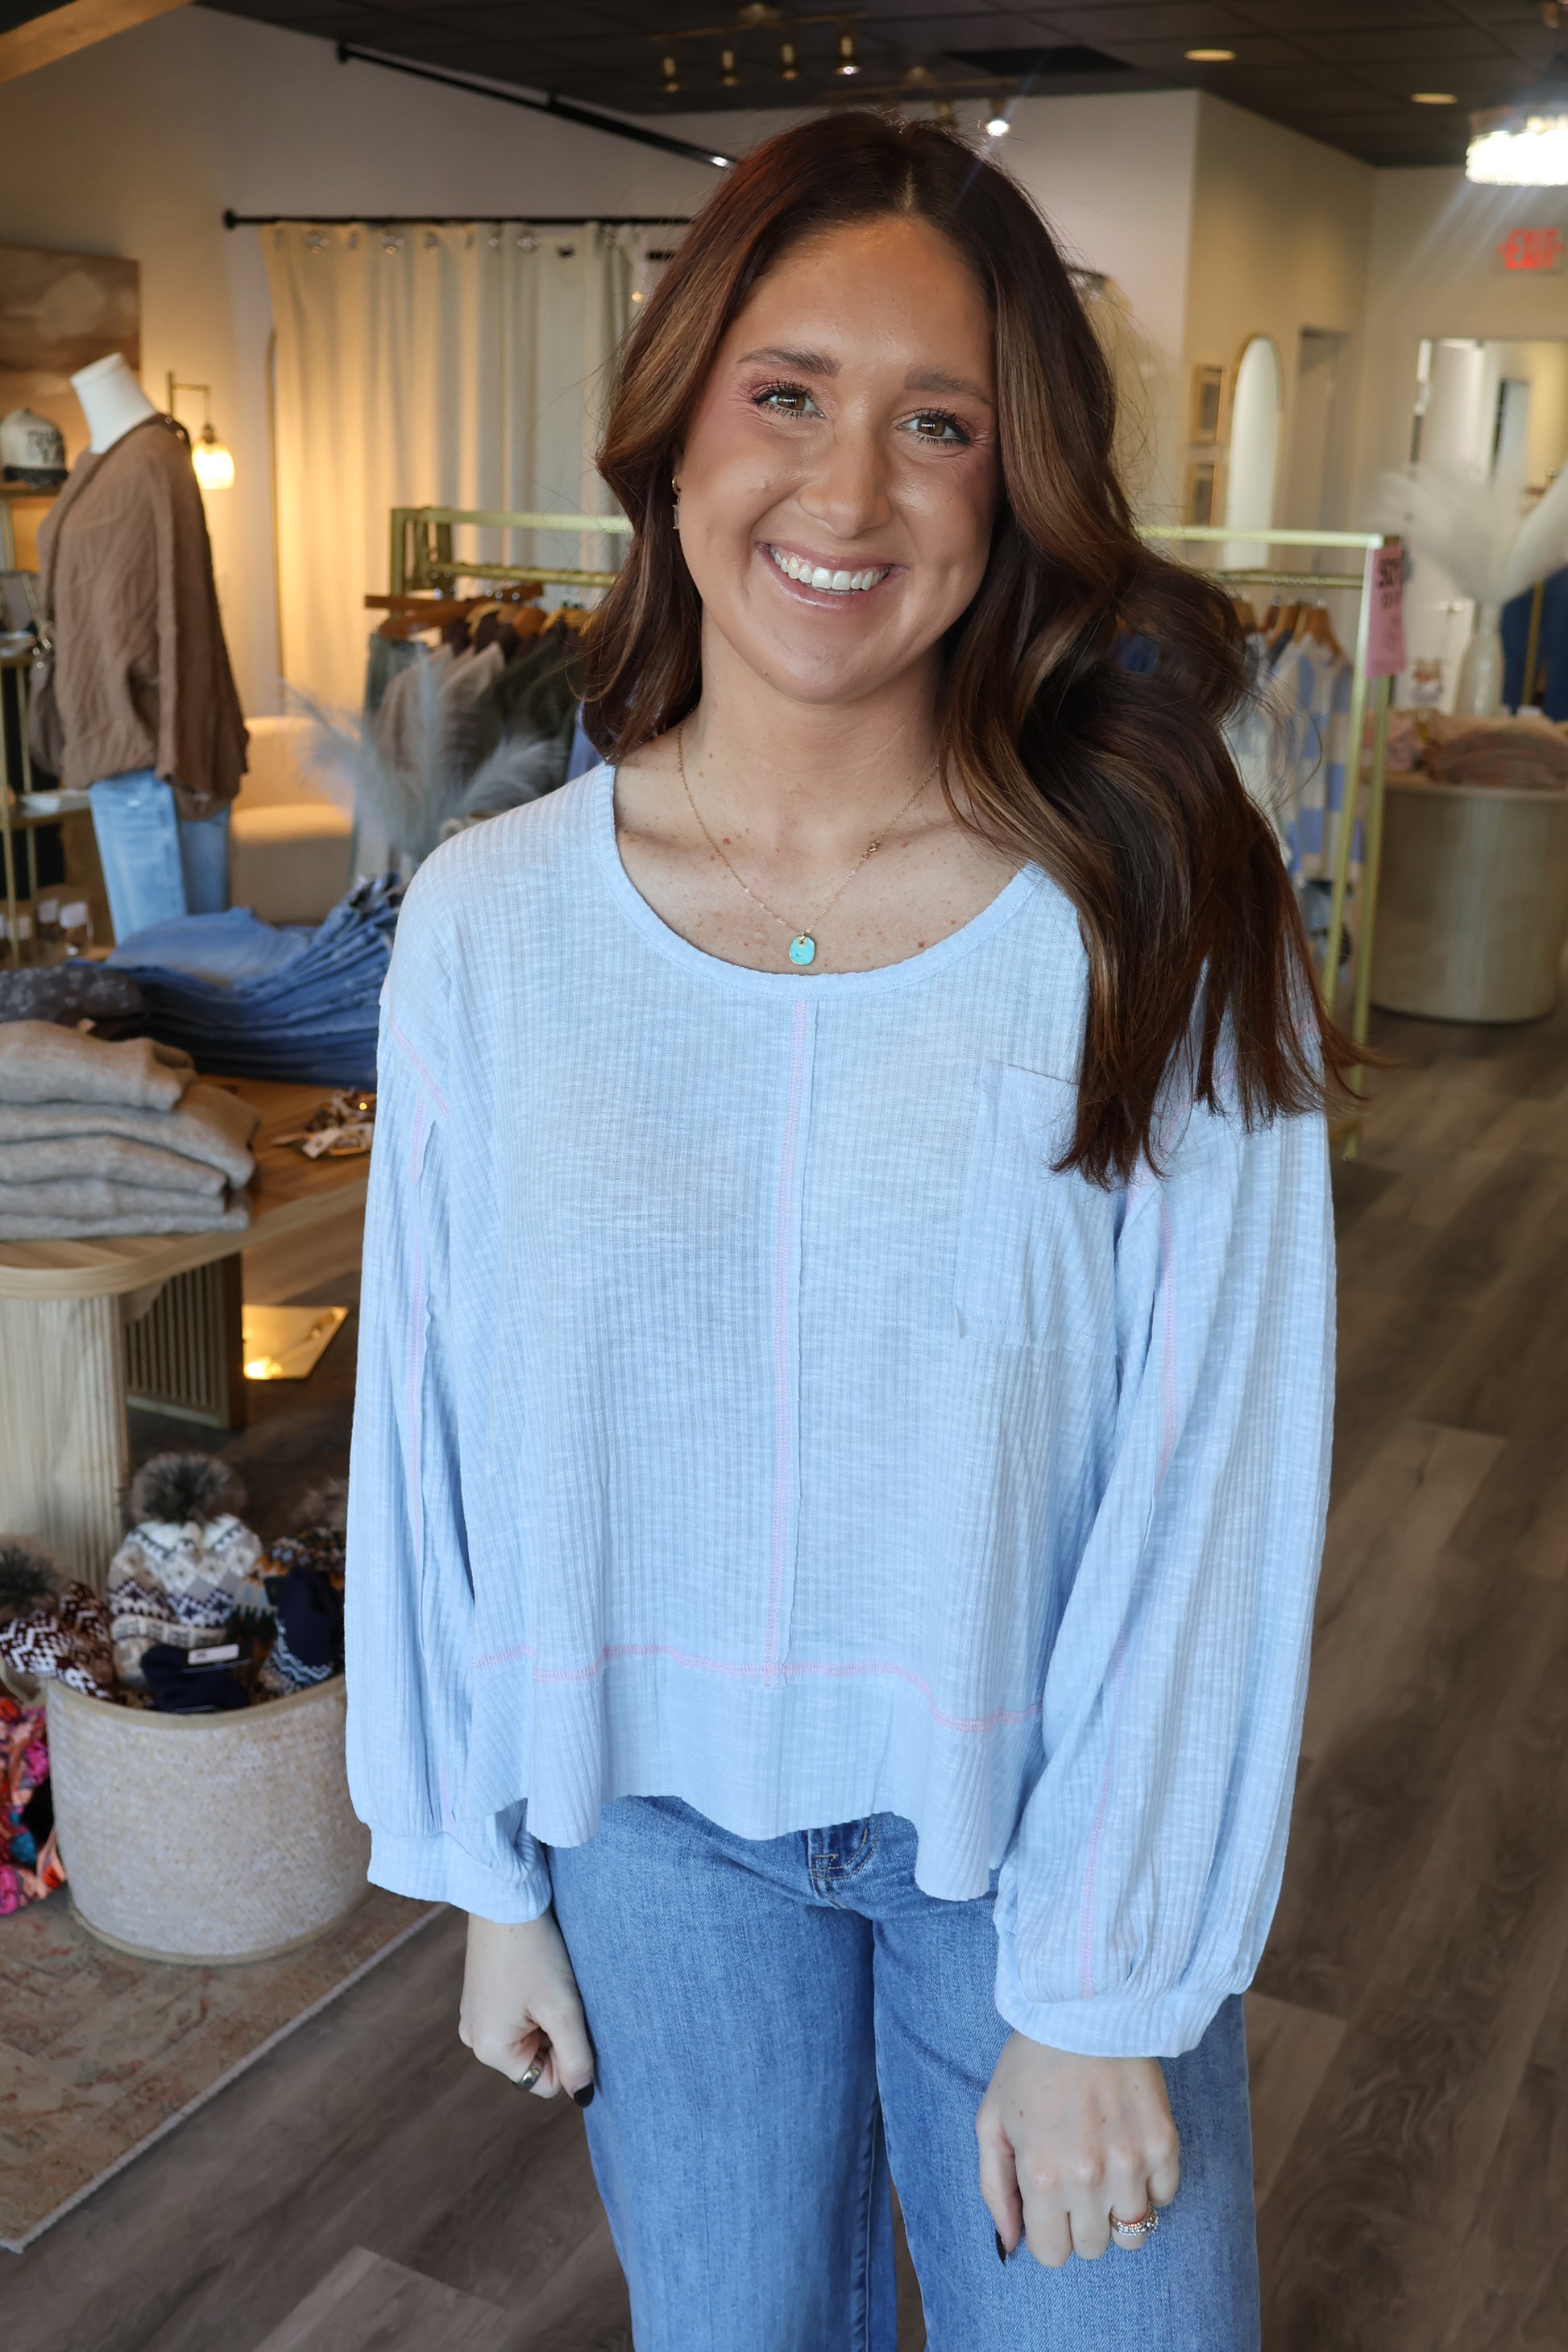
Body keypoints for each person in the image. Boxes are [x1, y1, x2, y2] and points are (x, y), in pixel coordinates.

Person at [346, 112, 1342, 2351]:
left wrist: (1098, 1987)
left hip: (1040, 1836)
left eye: (939, 424)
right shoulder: (493, 929)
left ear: (1017, 485)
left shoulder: (1158, 908)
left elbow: (1216, 1478)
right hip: (647, 1844)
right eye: (785, 392)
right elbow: (431, 1425)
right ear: (678, 427)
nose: (849, 489)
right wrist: (481, 1867)